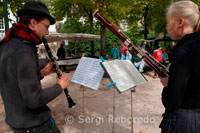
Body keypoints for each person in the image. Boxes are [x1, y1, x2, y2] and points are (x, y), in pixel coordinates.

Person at [0, 1, 69, 133]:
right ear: (33, 23)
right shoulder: (24, 51)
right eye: (46, 27)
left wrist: (42, 73)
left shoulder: (7, 44)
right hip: (34, 125)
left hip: (17, 121)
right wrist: (60, 86)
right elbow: (34, 100)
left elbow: (14, 81)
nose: (48, 32)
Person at [159, 1, 200, 133]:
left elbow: (172, 101)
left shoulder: (182, 50)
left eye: (168, 22)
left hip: (186, 122)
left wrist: (167, 84)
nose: (167, 26)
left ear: (180, 22)